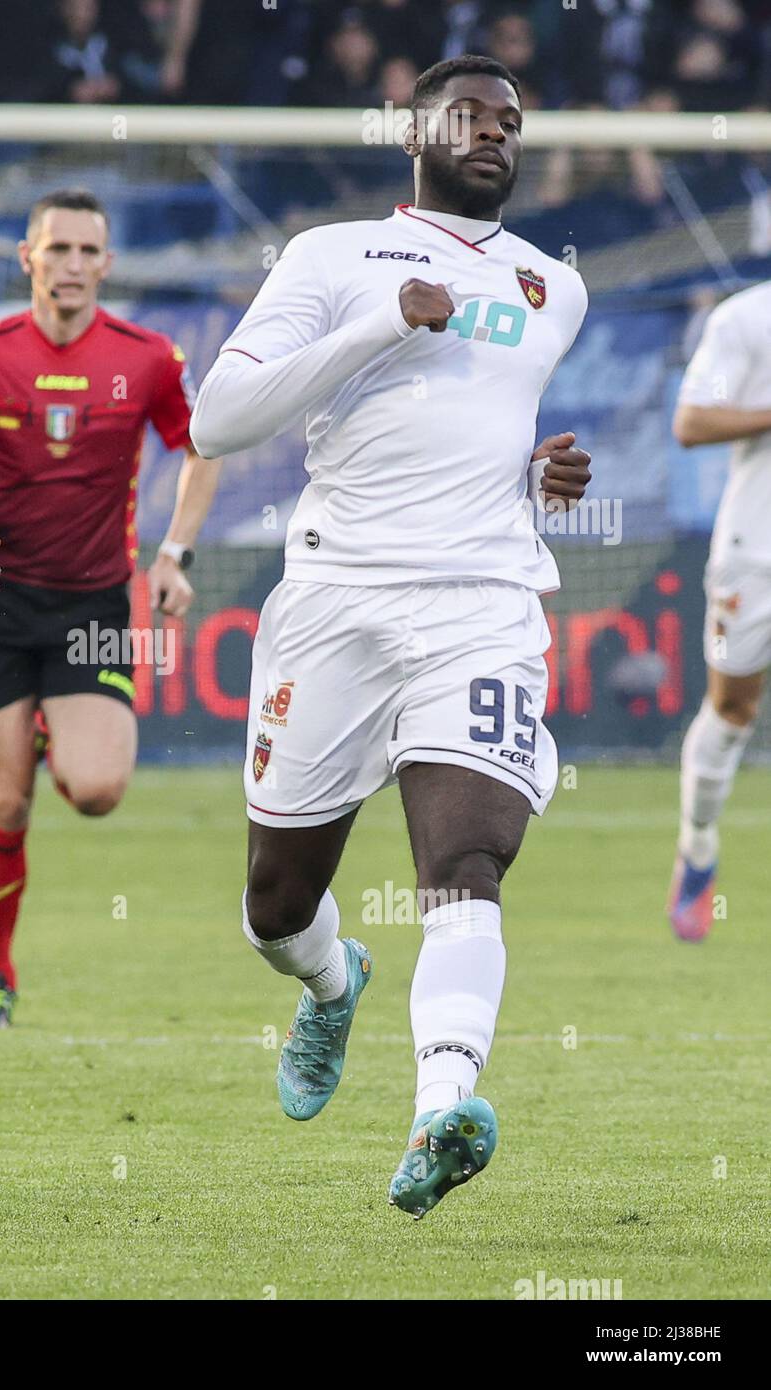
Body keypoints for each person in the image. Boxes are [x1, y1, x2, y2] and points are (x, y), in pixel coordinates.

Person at [191, 55, 592, 1219]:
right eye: (468, 113)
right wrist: (377, 323)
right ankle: (329, 981)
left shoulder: (549, 288)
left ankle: (440, 1106)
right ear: (411, 129)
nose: (493, 132)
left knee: (465, 861)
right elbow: (219, 421)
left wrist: (538, 475)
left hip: (481, 603)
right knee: (275, 897)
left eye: (511, 120)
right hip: (333, 605)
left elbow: (475, 435)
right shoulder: (329, 257)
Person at [0, 187, 222, 1028]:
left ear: (107, 265)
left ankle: (61, 722)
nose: (73, 266)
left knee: (95, 791)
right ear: (27, 258)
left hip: (92, 601)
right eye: (57, 250)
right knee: (7, 803)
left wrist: (174, 554)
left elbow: (202, 448)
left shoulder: (147, 357)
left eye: (89, 252)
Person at [668, 280, 771, 940]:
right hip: (756, 548)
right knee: (734, 707)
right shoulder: (746, 317)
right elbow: (691, 421)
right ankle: (697, 850)